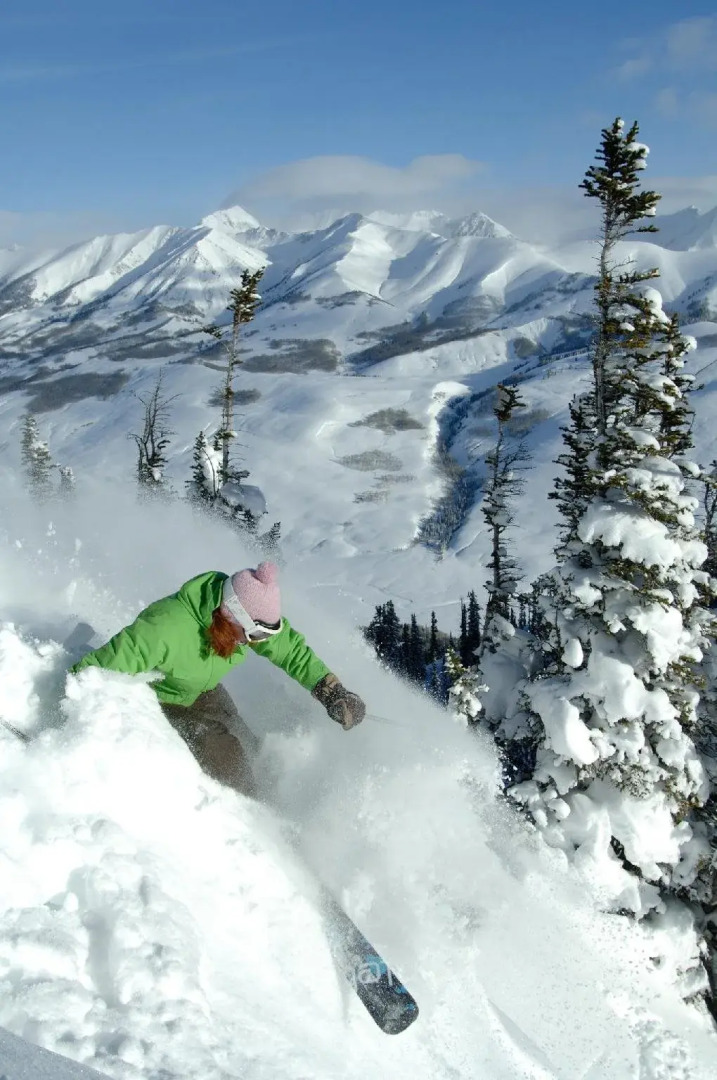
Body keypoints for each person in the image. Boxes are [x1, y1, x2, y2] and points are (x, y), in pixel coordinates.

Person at [70, 562, 365, 798]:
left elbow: (290, 650)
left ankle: (275, 797)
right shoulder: (164, 630)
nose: (255, 643)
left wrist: (330, 690)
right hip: (163, 700)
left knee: (250, 747)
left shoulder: (238, 624)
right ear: (230, 615)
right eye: (255, 635)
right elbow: (93, 674)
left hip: (203, 691)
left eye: (264, 636)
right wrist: (62, 729)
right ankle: (257, 822)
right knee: (226, 757)